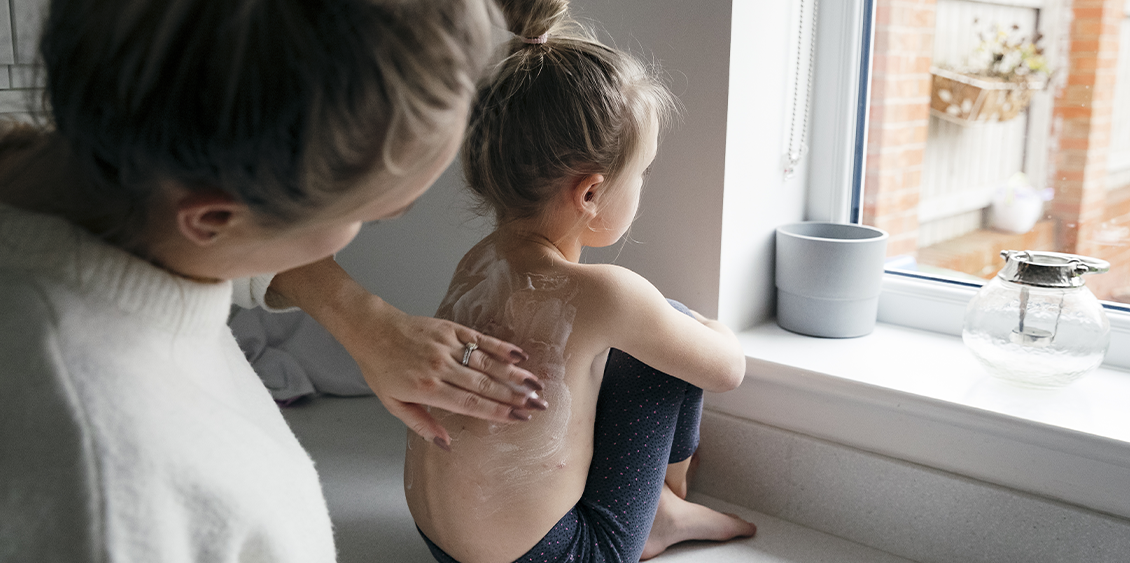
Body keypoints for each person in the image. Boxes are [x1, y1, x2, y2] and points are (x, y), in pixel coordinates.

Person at [0, 0, 542, 559]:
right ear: (212, 218)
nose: (367, 227)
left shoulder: (89, 189)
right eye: (373, 214)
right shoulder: (109, 495)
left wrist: (364, 321)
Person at [404, 1, 757, 561]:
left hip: (439, 541)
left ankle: (657, 510)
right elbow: (726, 371)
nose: (642, 187)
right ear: (591, 193)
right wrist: (716, 330)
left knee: (612, 346)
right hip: (557, 556)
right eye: (640, 174)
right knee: (675, 330)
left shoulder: (478, 260)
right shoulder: (609, 295)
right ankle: (664, 511)